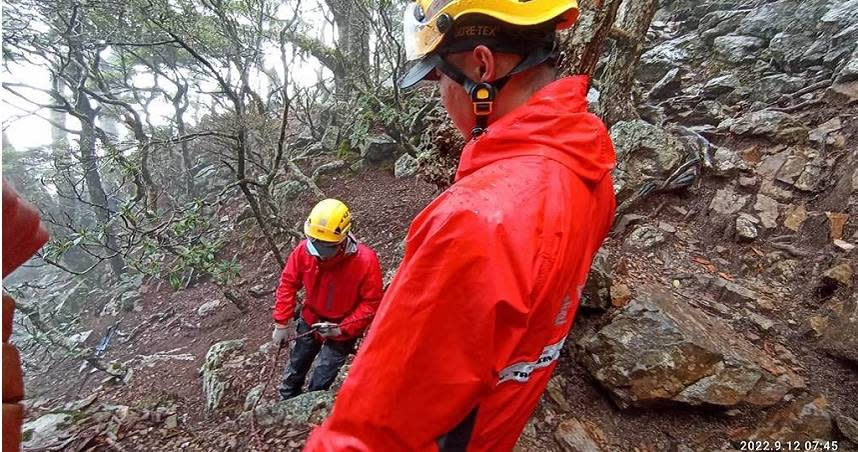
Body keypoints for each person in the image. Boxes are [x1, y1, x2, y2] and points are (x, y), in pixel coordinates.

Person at [305, 0, 616, 450]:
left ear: (482, 66)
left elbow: (373, 433)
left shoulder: (473, 221)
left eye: (438, 78)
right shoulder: (590, 168)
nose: (440, 96)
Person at [271, 198, 383, 400]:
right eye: (316, 242)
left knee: (323, 376)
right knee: (296, 366)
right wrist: (281, 322)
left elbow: (371, 303)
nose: (321, 252)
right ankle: (286, 402)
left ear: (343, 238)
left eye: (327, 246)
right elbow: (288, 283)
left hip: (342, 327)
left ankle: (312, 407)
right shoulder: (304, 252)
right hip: (310, 319)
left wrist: (343, 328)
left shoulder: (365, 261)